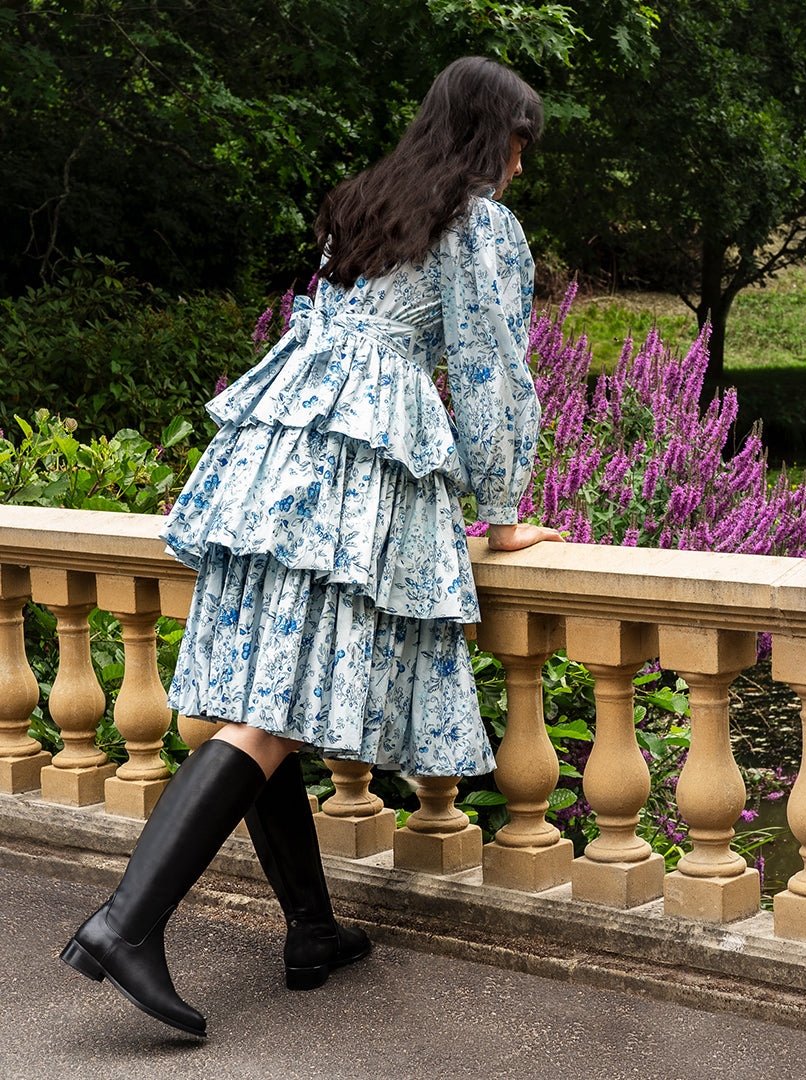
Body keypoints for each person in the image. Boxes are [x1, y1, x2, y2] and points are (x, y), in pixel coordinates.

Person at [60, 55, 563, 1038]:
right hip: (350, 476)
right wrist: (504, 514)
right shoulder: (481, 224)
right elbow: (492, 371)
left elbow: (337, 336)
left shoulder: (365, 204)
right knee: (272, 714)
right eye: (519, 145)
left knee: (260, 702)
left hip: (271, 459)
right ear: (492, 137)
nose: (520, 169)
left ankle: (311, 930)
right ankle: (126, 924)